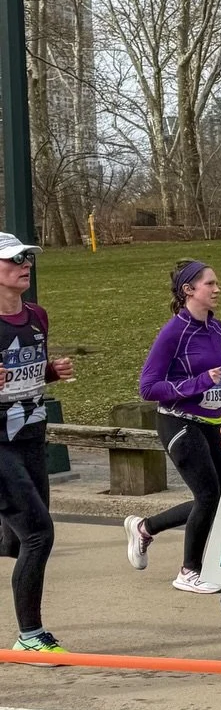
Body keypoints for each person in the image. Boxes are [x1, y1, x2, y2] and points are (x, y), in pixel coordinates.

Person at [125, 261, 221, 632]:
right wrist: (196, 384)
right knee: (208, 496)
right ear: (189, 290)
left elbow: (214, 374)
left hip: (211, 423)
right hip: (177, 422)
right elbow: (148, 386)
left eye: (217, 283)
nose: (217, 289)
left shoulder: (216, 327)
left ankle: (145, 528)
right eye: (210, 283)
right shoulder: (174, 333)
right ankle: (189, 570)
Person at [0, 232, 73, 655]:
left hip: (31, 436)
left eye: (27, 258)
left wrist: (49, 372)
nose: (25, 264)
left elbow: (23, 375)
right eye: (14, 260)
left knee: (13, 541)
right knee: (38, 535)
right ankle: (30, 636)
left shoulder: (36, 316)